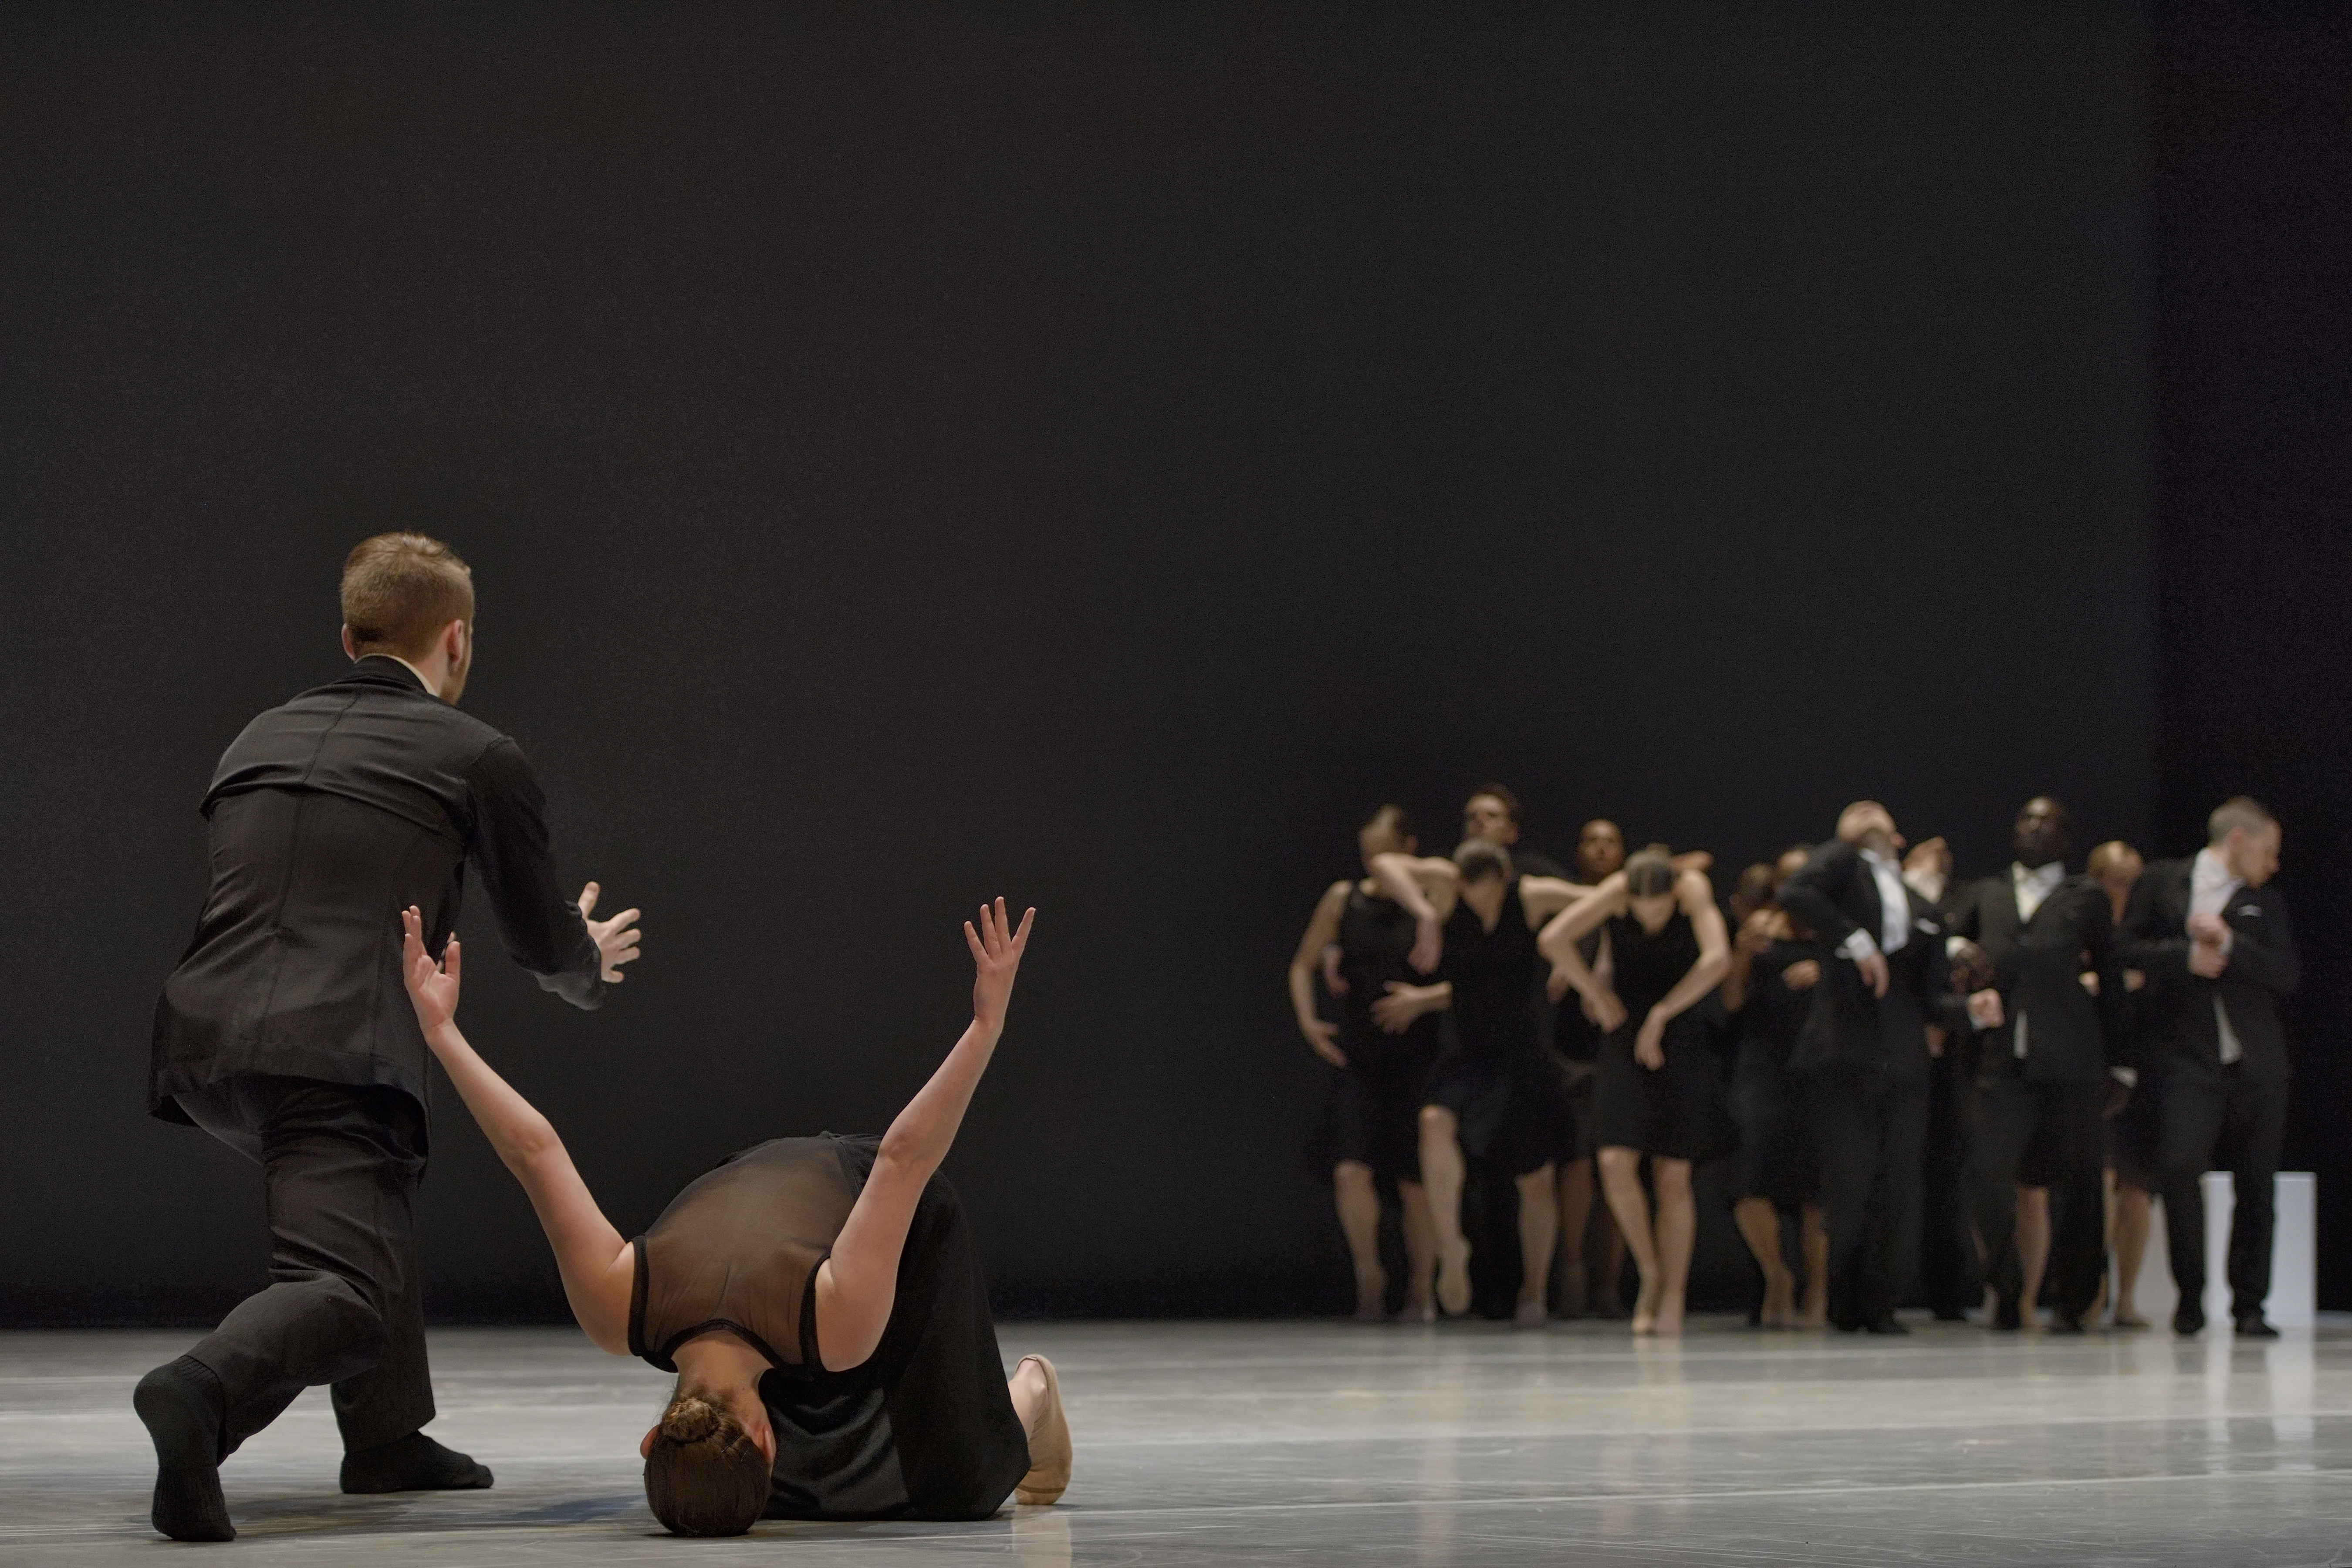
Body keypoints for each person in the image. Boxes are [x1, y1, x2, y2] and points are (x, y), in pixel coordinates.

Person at [132, 534, 644, 1543]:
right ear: (456, 640)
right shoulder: (475, 754)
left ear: (348, 633)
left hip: (201, 1042)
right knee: (346, 1289)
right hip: (326, 1049)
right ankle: (199, 1394)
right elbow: (542, 935)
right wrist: (586, 962)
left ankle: (386, 1438)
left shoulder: (258, 735)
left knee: (370, 1192)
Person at [398, 896, 1065, 1533]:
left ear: (766, 1439)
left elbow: (901, 1164)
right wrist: (441, 1031)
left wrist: (986, 1028)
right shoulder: (615, 1305)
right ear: (652, 1437)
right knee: (821, 1481)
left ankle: (1030, 1393)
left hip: (899, 1223)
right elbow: (533, 1152)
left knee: (958, 1485)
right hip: (782, 1200)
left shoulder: (834, 1321)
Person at [1778, 803, 1982, 1335]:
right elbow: (1796, 891)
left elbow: (1932, 996)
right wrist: (1853, 938)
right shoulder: (1843, 869)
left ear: (1898, 835)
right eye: (1856, 812)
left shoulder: (1924, 908)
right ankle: (1844, 1302)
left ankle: (1882, 1302)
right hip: (1843, 1052)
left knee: (1898, 1184)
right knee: (1848, 1179)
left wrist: (1971, 1013)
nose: (1866, 811)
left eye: (1877, 811)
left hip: (1904, 1060)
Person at [1365, 840, 1585, 1324]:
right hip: (1468, 1047)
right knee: (1433, 1123)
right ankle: (1452, 1246)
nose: (1479, 905)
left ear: (1505, 880)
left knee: (1536, 1178)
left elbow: (1603, 900)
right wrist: (1424, 914)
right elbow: (1383, 863)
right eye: (1471, 894)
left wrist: (1583, 965)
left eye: (1488, 895)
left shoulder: (1530, 897)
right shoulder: (1447, 892)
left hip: (1521, 1049)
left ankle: (1533, 1291)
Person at [1945, 798, 2127, 1334]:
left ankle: (2075, 1301)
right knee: (1987, 1174)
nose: (2032, 827)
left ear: (2066, 839)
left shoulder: (2084, 896)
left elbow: (2112, 977)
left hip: (2073, 1057)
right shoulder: (1989, 891)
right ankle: (2007, 1287)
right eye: (2024, 818)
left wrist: (2124, 1063)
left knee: (2079, 1183)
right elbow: (1948, 937)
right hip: (2003, 1058)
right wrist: (1959, 947)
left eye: (2045, 821)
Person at [2118, 798, 2298, 1338]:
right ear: (2238, 841)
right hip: (2186, 1057)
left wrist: (2230, 944)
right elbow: (2124, 948)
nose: (2274, 864)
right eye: (2268, 851)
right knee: (2180, 1167)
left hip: (2257, 1062)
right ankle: (2190, 1298)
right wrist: (2183, 957)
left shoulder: (2264, 903)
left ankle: (2250, 1305)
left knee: (2257, 1185)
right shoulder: (2163, 883)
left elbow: (2285, 973)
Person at [1538, 849, 1730, 1335]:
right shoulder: (1616, 892)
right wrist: (1593, 991)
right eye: (1642, 909)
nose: (1650, 917)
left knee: (1672, 1174)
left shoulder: (1692, 891)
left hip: (1680, 1031)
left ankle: (1674, 1294)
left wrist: (1664, 1014)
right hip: (1624, 1029)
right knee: (1614, 1162)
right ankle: (1648, 1267)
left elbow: (1718, 959)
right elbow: (1553, 938)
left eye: (1659, 909)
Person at [1287, 805, 1443, 1321]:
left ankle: (1423, 1285)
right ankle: (1369, 1274)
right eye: (1368, 851)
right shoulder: (1343, 899)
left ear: (1409, 847)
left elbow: (1475, 976)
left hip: (1417, 1055)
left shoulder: (1434, 894)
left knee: (1414, 1180)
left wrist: (1422, 1000)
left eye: (1385, 850)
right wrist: (1311, 1023)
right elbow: (1302, 963)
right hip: (1361, 1054)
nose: (1376, 861)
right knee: (1351, 1171)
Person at [1720, 846, 1828, 1329]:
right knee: (1748, 1180)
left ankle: (1820, 1294)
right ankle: (1777, 1275)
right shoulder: (1763, 928)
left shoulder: (1838, 931)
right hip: (1762, 1066)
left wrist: (1829, 975)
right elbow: (1730, 1001)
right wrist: (1743, 952)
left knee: (1817, 1194)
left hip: (1820, 1069)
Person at [1548, 819, 1630, 1317]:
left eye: (1610, 842)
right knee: (1577, 1163)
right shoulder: (1566, 903)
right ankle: (1573, 1270)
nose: (1600, 850)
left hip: (1620, 1048)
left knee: (1619, 1168)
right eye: (1591, 842)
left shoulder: (1633, 903)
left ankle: (1610, 1284)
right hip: (1571, 1050)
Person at [2088, 839, 2157, 1327]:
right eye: (2115, 880)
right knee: (2100, 1178)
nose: (2124, 890)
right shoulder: (2083, 926)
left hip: (2146, 1061)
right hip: (2095, 1064)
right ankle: (2095, 1293)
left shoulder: (2148, 930)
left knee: (2137, 1185)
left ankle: (2127, 1297)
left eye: (2132, 881)